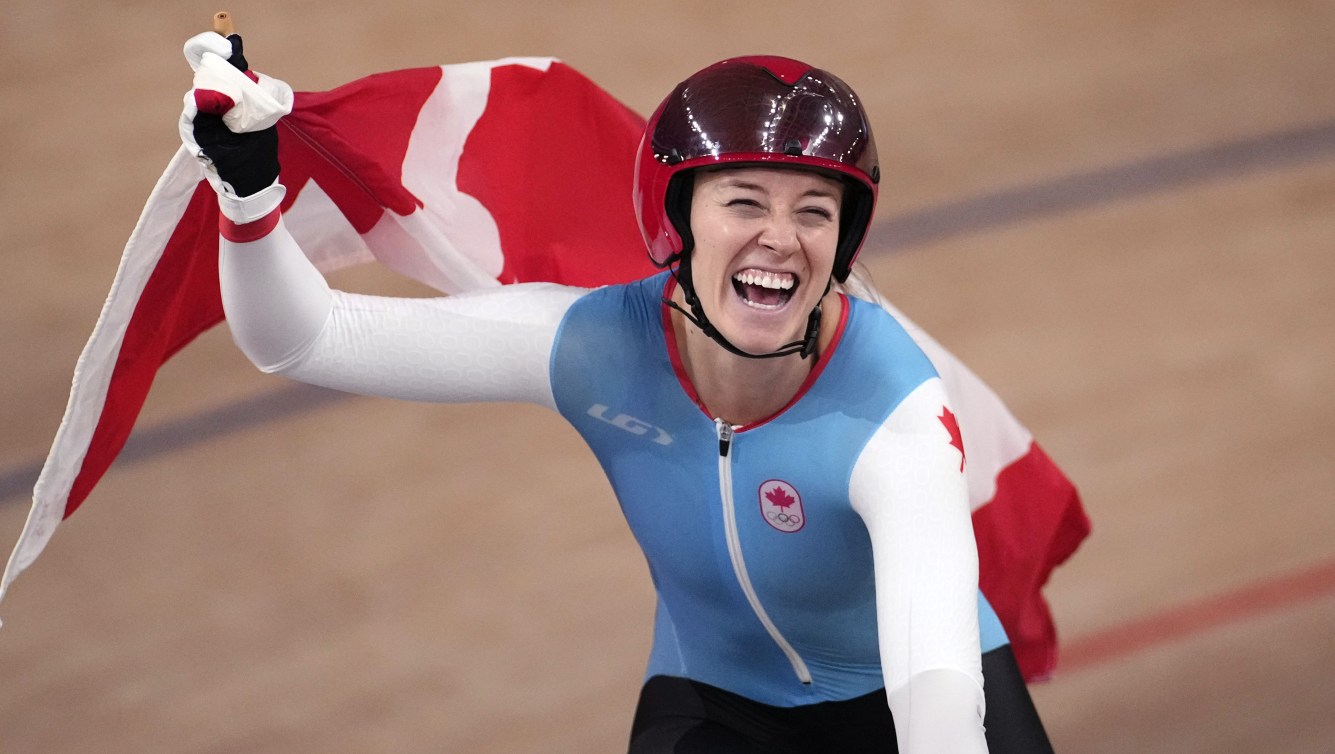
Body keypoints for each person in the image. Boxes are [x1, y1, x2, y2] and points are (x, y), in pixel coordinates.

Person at [181, 31, 1053, 753]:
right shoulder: (593, 345)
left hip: (915, 699)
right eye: (744, 202)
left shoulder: (896, 417)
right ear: (675, 221)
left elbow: (935, 692)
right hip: (717, 702)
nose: (780, 239)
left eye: (815, 213)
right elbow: (302, 338)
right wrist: (249, 196)